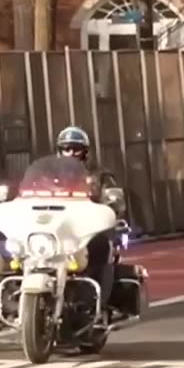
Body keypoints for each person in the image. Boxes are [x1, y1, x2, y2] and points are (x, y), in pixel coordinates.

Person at [55, 126, 122, 318]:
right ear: (60, 151)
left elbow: (114, 201)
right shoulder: (50, 176)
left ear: (85, 151)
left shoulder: (100, 175)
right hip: (58, 229)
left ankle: (99, 304)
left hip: (89, 229)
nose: (71, 153)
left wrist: (111, 204)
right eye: (67, 149)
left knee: (101, 247)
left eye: (76, 149)